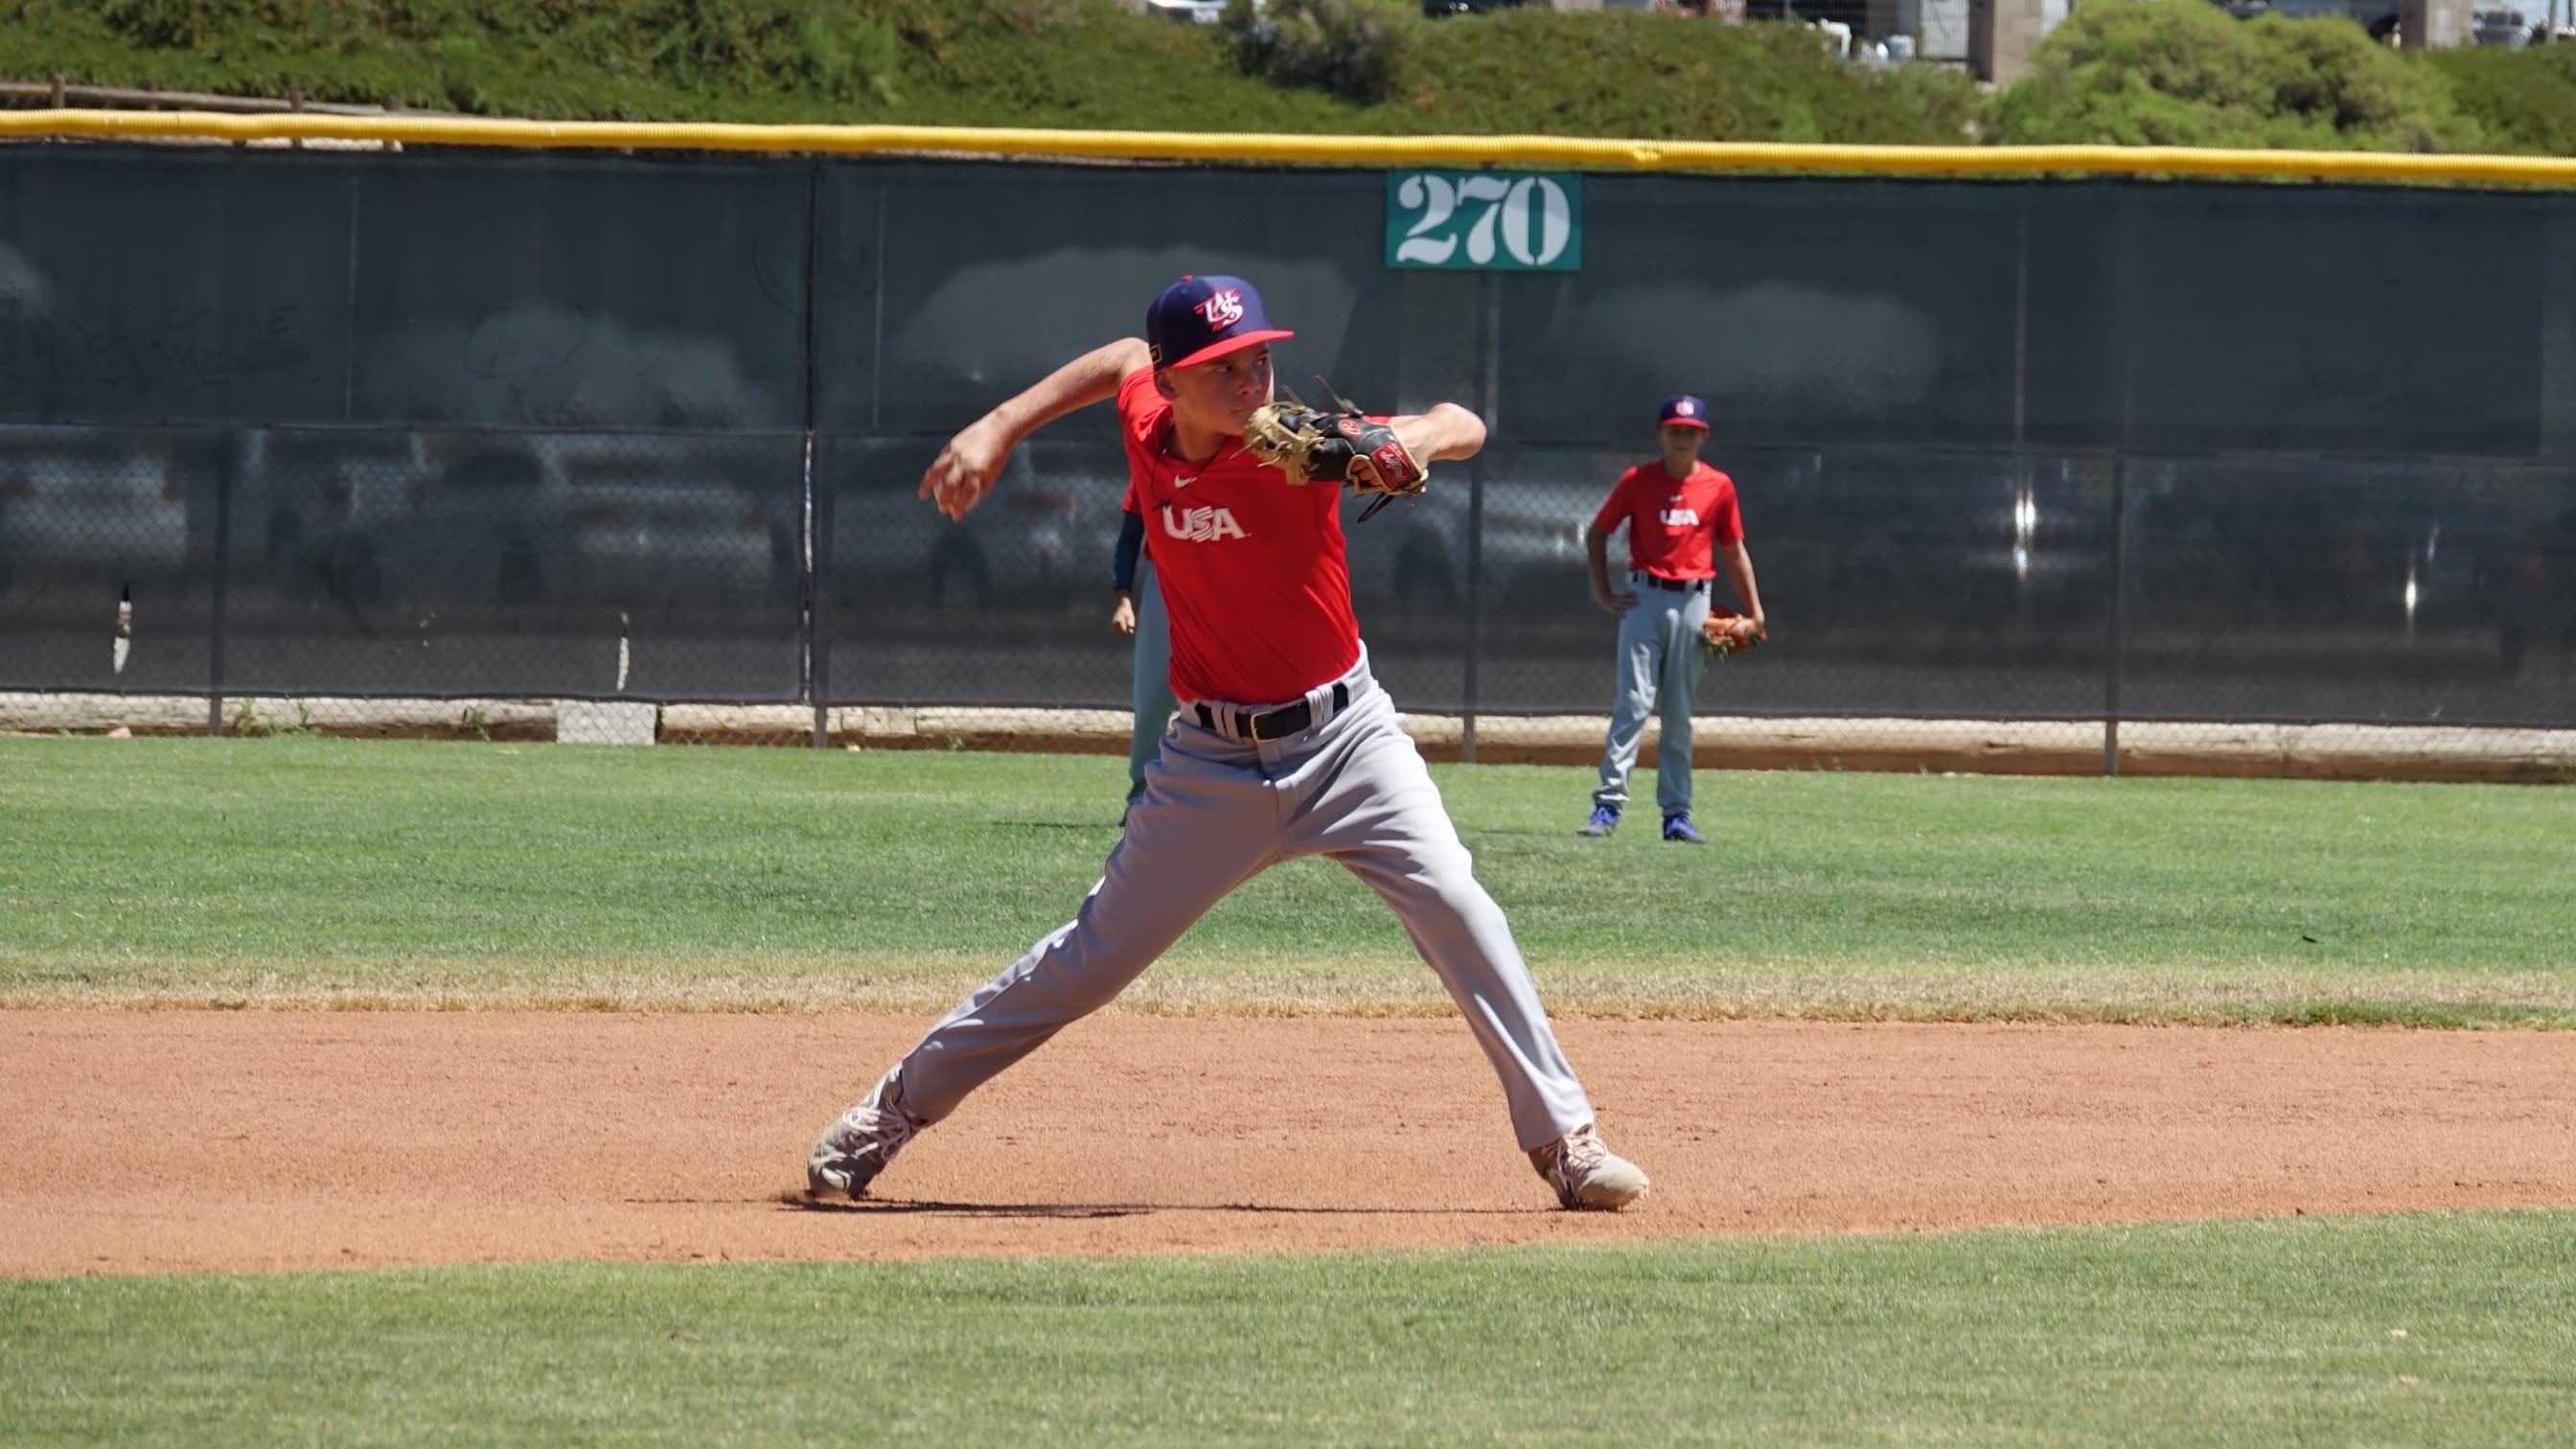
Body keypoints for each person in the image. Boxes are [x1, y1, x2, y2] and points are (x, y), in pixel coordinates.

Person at [807, 274, 1649, 1211]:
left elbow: (1465, 421)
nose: (1253, 379)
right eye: (1224, 366)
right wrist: (999, 424)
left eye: (1260, 356)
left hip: (1347, 742)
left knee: (1460, 905)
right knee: (1088, 961)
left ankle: (1566, 1141)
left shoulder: (1305, 453)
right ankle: (890, 1113)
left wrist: (1411, 438)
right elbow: (1121, 358)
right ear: (1174, 383)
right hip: (1211, 763)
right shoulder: (1145, 418)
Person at [1577, 394, 1767, 843]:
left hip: (1694, 603)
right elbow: (1599, 533)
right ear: (1661, 434)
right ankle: (1607, 807)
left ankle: (1677, 815)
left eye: (1691, 431)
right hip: (1645, 598)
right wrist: (1603, 591)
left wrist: (1755, 611)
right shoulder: (1637, 481)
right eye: (1675, 430)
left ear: (1703, 437)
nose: (1682, 438)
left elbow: (1734, 550)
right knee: (1634, 704)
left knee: (1679, 713)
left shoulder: (1718, 486)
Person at [1109, 490, 1177, 826]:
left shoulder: (1234, 459)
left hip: (1225, 577)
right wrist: (1123, 597)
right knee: (1152, 696)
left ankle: (1232, 794)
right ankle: (1141, 795)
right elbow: (1130, 535)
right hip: (1166, 579)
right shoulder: (1152, 460)